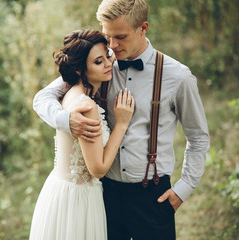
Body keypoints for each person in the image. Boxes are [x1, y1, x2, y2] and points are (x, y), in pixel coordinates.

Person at [32, 0, 210, 239]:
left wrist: (183, 189)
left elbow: (198, 137)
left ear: (143, 28)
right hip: (104, 195)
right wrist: (67, 121)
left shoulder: (177, 77)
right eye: (108, 37)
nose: (113, 47)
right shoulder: (99, 64)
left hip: (152, 196)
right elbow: (43, 97)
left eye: (121, 37)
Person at [29, 29, 134, 240]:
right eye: (98, 62)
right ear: (79, 70)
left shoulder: (70, 94)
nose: (107, 64)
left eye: (107, 56)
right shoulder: (86, 106)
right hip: (79, 201)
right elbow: (98, 169)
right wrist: (122, 123)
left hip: (59, 191)